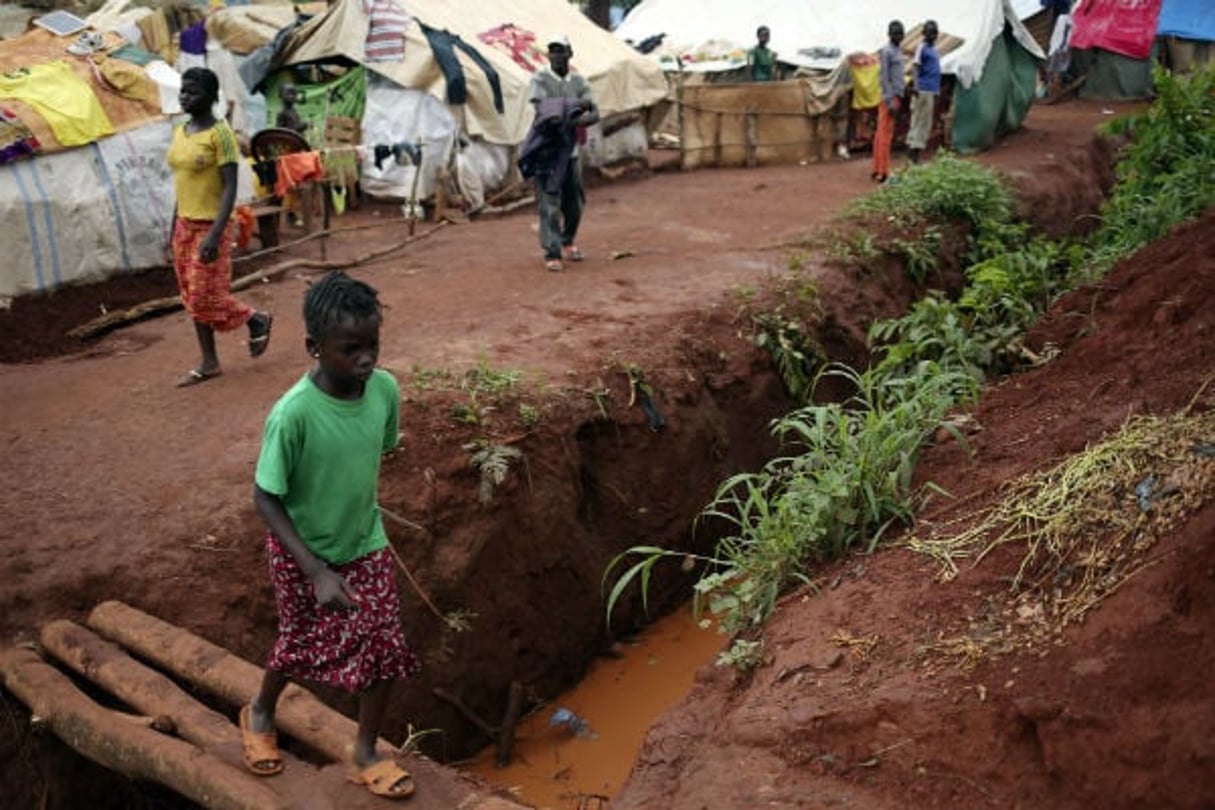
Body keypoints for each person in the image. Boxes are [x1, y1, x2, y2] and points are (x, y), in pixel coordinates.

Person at [243, 270, 421, 800]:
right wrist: (315, 568)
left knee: (385, 645)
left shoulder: (384, 390)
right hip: (304, 550)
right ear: (314, 348)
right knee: (299, 643)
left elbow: (379, 447)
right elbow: (264, 496)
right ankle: (259, 712)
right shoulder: (294, 414)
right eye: (350, 349)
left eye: (372, 345)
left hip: (364, 542)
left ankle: (365, 751)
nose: (365, 359)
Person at [167, 67, 273, 387]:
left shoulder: (221, 134)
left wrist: (215, 233)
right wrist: (174, 225)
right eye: (183, 91)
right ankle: (209, 362)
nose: (185, 97)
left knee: (203, 295)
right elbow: (182, 182)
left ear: (212, 98)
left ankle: (256, 319)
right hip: (184, 223)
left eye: (193, 92)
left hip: (211, 225)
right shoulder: (180, 131)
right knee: (190, 296)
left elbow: (230, 187)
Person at [526, 35, 599, 273]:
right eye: (552, 51)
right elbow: (543, 110)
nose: (556, 55)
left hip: (571, 152)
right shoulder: (540, 79)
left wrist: (566, 114)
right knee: (549, 204)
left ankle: (568, 240)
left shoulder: (578, 80)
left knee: (575, 202)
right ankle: (552, 251)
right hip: (547, 151)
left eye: (561, 51)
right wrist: (574, 111)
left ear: (570, 54)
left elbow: (594, 111)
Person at [872, 20, 905, 183]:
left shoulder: (898, 50)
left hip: (896, 96)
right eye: (896, 33)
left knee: (882, 133)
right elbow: (884, 77)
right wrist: (889, 99)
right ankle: (883, 172)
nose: (899, 36)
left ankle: (877, 169)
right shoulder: (886, 52)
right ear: (889, 34)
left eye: (901, 33)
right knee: (885, 134)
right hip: (890, 97)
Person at [907, 20, 940, 165]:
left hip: (930, 90)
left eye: (934, 32)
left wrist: (936, 90)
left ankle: (916, 157)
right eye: (929, 32)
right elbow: (915, 66)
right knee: (919, 122)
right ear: (924, 34)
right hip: (923, 89)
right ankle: (912, 159)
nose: (932, 35)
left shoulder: (934, 50)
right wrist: (915, 86)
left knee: (925, 123)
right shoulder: (922, 47)